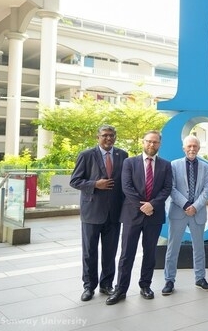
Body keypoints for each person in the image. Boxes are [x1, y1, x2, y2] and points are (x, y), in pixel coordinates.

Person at [106, 130, 173, 305]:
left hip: (154, 215)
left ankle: (145, 285)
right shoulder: (129, 162)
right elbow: (126, 187)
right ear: (143, 142)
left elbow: (167, 188)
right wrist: (143, 206)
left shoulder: (166, 165)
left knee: (150, 254)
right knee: (127, 254)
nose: (152, 145)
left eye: (155, 142)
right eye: (149, 141)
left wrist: (153, 205)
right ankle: (120, 289)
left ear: (159, 144)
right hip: (131, 215)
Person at [70, 125, 128, 302]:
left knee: (110, 252)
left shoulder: (123, 155)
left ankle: (106, 284)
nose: (108, 138)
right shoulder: (86, 155)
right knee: (89, 252)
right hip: (92, 212)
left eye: (111, 135)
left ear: (115, 137)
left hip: (114, 213)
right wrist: (95, 184)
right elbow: (75, 180)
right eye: (105, 135)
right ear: (98, 137)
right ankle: (89, 286)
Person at [162, 135, 208, 295]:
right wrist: (185, 204)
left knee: (199, 248)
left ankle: (200, 278)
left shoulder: (206, 168)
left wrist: (195, 207)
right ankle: (169, 280)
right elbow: (171, 188)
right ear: (184, 148)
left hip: (197, 213)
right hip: (179, 212)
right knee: (173, 248)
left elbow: (206, 191)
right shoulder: (173, 165)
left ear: (198, 148)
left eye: (195, 146)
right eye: (189, 146)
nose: (192, 149)